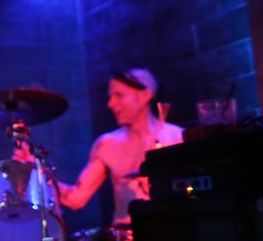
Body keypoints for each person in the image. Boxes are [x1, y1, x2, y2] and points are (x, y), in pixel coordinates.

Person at [38, 68, 183, 225]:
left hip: (175, 231)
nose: (110, 104)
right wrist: (36, 171)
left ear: (145, 96)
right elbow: (76, 199)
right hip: (128, 236)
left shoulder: (177, 137)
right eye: (110, 97)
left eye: (119, 95)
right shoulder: (107, 144)